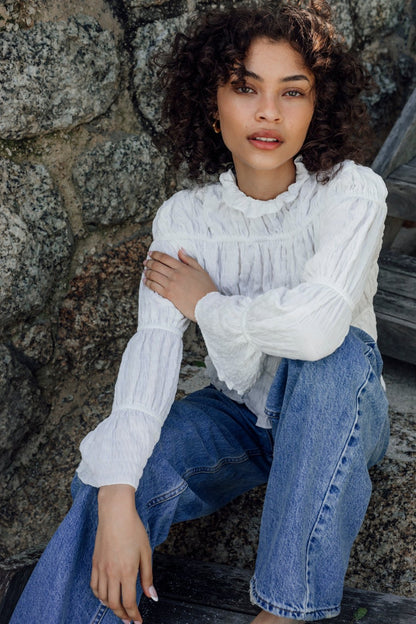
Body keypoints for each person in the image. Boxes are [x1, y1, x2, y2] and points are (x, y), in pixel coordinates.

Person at [10, 1, 390, 623]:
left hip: (339, 417)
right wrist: (113, 500)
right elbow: (150, 360)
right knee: (118, 473)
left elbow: (315, 327)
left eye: (292, 92)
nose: (268, 112)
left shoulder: (351, 192)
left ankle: (286, 611)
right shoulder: (185, 220)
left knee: (334, 355)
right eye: (246, 88)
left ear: (317, 105)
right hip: (239, 413)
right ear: (211, 104)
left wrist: (208, 304)